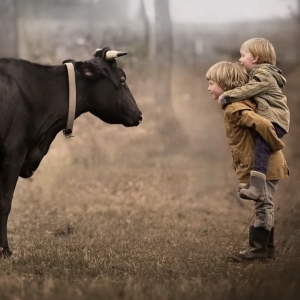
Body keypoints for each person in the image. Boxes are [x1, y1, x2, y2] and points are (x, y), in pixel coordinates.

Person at [206, 61, 289, 261]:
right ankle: (265, 250)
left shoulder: (234, 108)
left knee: (263, 205)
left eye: (211, 83)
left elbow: (261, 123)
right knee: (265, 204)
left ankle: (258, 250)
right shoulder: (237, 105)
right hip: (264, 164)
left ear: (225, 85)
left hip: (265, 165)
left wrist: (274, 142)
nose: (208, 88)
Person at [218, 38, 290, 202]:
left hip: (275, 120)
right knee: (255, 146)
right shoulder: (259, 75)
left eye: (243, 56)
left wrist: (227, 96)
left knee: (261, 146)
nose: (240, 60)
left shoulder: (263, 75)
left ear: (255, 58)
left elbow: (249, 89)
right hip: (273, 118)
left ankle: (257, 188)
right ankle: (252, 183)